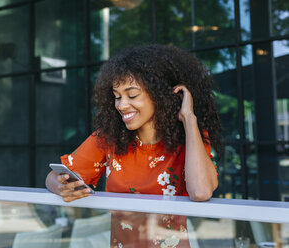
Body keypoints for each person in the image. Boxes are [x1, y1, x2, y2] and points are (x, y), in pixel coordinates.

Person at [46, 44, 222, 248]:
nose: (121, 105)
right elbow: (53, 177)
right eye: (117, 96)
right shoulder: (109, 138)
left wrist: (189, 118)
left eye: (132, 95)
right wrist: (60, 187)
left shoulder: (190, 140)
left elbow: (201, 192)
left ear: (159, 95)